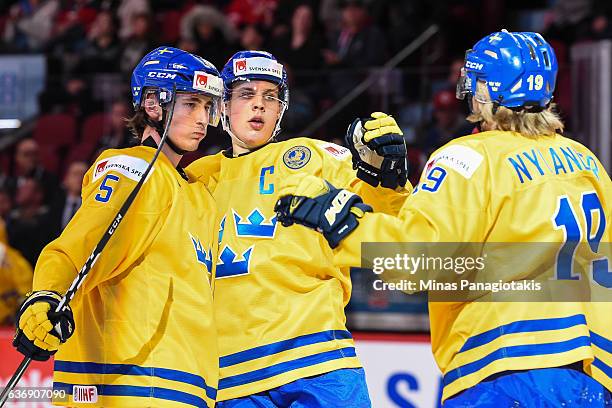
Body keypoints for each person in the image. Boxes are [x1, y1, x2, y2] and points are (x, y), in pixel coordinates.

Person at [276, 31, 611, 406]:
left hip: (505, 364)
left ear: (487, 90)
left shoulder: (468, 157)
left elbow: (417, 263)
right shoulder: (586, 162)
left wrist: (343, 222)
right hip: (590, 374)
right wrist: (388, 191)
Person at [186, 50, 409, 406]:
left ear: (281, 109)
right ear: (223, 106)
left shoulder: (317, 156)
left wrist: (387, 177)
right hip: (230, 376)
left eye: (269, 97)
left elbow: (390, 228)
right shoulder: (195, 178)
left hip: (319, 356)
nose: (258, 105)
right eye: (246, 94)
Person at [12, 46, 223, 407]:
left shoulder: (194, 191)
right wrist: (48, 295)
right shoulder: (136, 169)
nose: (202, 118)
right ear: (154, 105)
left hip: (183, 387)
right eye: (190, 104)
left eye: (207, 106)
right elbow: (78, 246)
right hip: (128, 386)